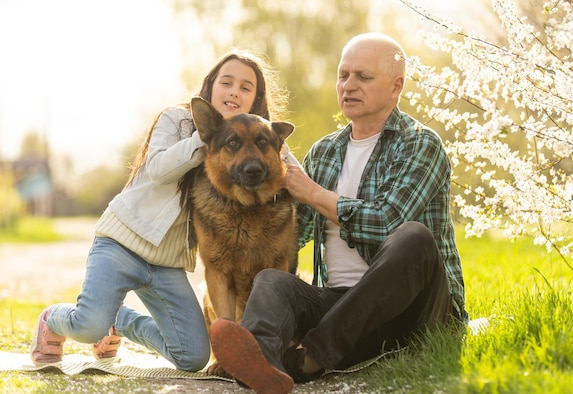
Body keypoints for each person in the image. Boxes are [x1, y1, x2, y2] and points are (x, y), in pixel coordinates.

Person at [209, 32, 468, 392]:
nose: (349, 85)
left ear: (396, 87)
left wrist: (312, 193)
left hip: (416, 312)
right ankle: (261, 362)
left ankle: (309, 357)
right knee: (272, 278)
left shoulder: (421, 143)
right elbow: (289, 236)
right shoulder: (324, 152)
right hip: (340, 307)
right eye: (343, 75)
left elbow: (385, 224)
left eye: (363, 77)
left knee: (413, 238)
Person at [30, 49, 289, 372]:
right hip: (122, 245)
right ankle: (54, 318)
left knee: (193, 356)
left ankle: (119, 320)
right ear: (210, 86)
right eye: (227, 82)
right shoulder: (177, 121)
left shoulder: (256, 136)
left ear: (255, 100)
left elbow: (284, 168)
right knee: (88, 326)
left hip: (165, 265)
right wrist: (207, 138)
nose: (235, 91)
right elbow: (158, 169)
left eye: (246, 87)